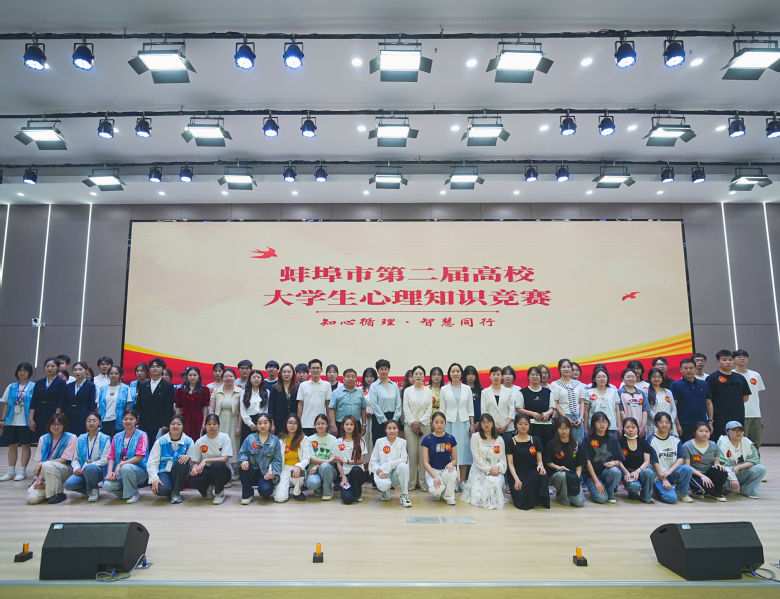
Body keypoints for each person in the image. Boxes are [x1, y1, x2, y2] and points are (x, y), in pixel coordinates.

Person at [27, 413, 77, 504]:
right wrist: (40, 480)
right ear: (49, 425)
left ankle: (57, 494)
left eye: (59, 424)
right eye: (53, 424)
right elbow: (41, 461)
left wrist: (42, 464)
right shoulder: (43, 438)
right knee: (32, 499)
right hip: (46, 471)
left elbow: (64, 459)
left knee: (48, 465)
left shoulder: (71, 437)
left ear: (64, 425)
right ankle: (51, 493)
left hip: (64, 470)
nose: (56, 427)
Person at [459, 414, 506, 510]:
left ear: (493, 424)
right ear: (480, 424)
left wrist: (496, 468)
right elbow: (476, 458)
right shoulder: (475, 437)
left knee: (494, 482)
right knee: (479, 497)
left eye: (488, 422)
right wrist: (489, 470)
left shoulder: (499, 439)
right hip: (479, 469)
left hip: (495, 470)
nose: (486, 424)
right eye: (483, 422)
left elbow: (502, 460)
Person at [102, 410, 149, 503]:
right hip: (120, 470)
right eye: (125, 419)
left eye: (131, 419)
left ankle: (133, 494)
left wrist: (121, 464)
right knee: (107, 485)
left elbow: (139, 456)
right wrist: (109, 471)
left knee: (126, 467)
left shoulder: (142, 435)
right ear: (122, 420)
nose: (128, 421)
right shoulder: (117, 436)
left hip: (139, 469)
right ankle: (127, 493)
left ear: (136, 421)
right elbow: (111, 456)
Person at [63, 412, 112, 501]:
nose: (91, 423)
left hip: (99, 470)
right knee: (68, 485)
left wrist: (88, 466)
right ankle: (88, 490)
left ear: (99, 422)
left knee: (90, 468)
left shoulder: (105, 438)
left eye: (94, 421)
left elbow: (105, 459)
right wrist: (76, 468)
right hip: (82, 470)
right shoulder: (81, 438)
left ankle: (93, 491)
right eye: (88, 421)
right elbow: (75, 458)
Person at [647, 412, 693, 504]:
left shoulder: (676, 439)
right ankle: (657, 488)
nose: (664, 424)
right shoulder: (651, 439)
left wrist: (669, 471)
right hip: (658, 475)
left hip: (671, 473)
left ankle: (682, 493)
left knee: (687, 468)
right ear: (655, 423)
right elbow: (654, 461)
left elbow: (681, 459)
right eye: (661, 422)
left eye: (667, 422)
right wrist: (663, 479)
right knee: (671, 499)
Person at [0, 362, 35, 482]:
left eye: (25, 370)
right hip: (11, 420)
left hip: (25, 421)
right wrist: (3, 419)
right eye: (20, 370)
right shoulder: (11, 386)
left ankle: (22, 471)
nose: (22, 372)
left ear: (29, 372)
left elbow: (35, 405)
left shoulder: (33, 386)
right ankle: (11, 471)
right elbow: (6, 403)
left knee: (25, 445)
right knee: (12, 446)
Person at [236, 413, 282, 504]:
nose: (262, 426)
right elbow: (242, 453)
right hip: (252, 471)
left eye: (265, 423)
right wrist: (244, 460)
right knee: (243, 466)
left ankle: (262, 490)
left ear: (270, 424)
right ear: (256, 425)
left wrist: (272, 472)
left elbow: (277, 460)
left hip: (266, 473)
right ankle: (248, 495)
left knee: (265, 492)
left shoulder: (275, 440)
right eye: (259, 423)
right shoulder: (250, 438)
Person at [147, 414, 193, 504]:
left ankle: (176, 493)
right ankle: (169, 490)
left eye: (179, 424)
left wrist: (189, 457)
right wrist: (154, 479)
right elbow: (152, 462)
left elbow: (194, 462)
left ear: (183, 426)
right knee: (161, 489)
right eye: (173, 424)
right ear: (169, 425)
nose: (175, 426)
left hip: (180, 472)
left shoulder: (188, 441)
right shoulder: (160, 441)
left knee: (182, 461)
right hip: (164, 471)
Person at [507, 414, 549, 510]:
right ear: (516, 425)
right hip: (517, 474)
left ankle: (540, 499)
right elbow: (510, 464)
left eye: (526, 424)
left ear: (529, 425)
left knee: (542, 473)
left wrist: (541, 466)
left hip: (531, 472)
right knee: (521, 503)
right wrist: (517, 480)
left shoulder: (536, 440)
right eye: (520, 424)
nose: (523, 426)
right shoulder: (510, 441)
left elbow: (539, 460)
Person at [189, 414, 234, 505]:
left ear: (219, 425)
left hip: (222, 471)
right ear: (205, 425)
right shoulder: (200, 441)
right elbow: (196, 462)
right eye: (209, 424)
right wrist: (194, 469)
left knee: (215, 465)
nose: (212, 426)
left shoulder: (224, 437)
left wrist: (206, 460)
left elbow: (224, 459)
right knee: (193, 480)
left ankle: (219, 493)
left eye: (214, 424)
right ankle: (207, 490)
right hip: (207, 470)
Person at [441, 363, 474, 484]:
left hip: (464, 424)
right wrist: (441, 426)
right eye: (453, 371)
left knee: (464, 453)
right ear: (449, 374)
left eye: (458, 371)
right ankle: (453, 482)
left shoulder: (467, 388)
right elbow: (442, 409)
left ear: (461, 374)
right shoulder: (444, 389)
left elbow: (470, 408)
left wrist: (472, 424)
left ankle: (462, 482)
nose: (455, 374)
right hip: (449, 423)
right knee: (450, 452)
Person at [706, 350, 750, 437]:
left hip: (738, 416)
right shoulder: (712, 378)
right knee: (720, 440)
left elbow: (746, 396)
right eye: (724, 360)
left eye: (730, 359)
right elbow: (708, 400)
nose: (728, 362)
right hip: (719, 418)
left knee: (737, 439)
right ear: (718, 362)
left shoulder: (740, 377)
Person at [582, 412, 624, 504]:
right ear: (593, 424)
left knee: (615, 471)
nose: (602, 424)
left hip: (606, 472)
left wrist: (613, 463)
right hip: (591, 475)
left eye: (604, 421)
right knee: (601, 499)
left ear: (608, 423)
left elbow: (619, 460)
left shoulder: (613, 439)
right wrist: (596, 481)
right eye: (598, 422)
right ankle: (598, 488)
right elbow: (587, 461)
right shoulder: (587, 438)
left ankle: (610, 493)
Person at [403, 365, 433, 492]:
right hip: (410, 426)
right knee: (412, 453)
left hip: (424, 426)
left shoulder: (428, 391)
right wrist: (413, 423)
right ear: (412, 376)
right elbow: (406, 407)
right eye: (416, 374)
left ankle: (422, 482)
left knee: (423, 454)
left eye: (421, 374)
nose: (418, 376)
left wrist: (420, 422)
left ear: (424, 376)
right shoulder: (407, 391)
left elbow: (429, 409)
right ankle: (412, 482)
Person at [718, 421, 765, 499]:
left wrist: (739, 467)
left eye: (740, 430)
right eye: (734, 430)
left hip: (739, 471)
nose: (738, 432)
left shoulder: (747, 442)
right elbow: (724, 464)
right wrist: (733, 479)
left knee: (760, 469)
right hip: (726, 473)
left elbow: (754, 460)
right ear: (727, 432)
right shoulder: (722, 442)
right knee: (727, 490)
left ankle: (747, 490)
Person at [369, 419, 411, 507]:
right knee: (383, 485)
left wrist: (387, 465)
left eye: (394, 428)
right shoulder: (379, 442)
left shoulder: (402, 442)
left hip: (395, 475)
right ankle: (385, 492)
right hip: (383, 473)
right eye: (389, 428)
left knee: (404, 466)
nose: (392, 431)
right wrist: (379, 471)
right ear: (385, 430)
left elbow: (403, 459)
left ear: (398, 430)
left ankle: (404, 496)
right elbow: (373, 460)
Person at [544, 418, 585, 507]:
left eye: (566, 428)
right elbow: (548, 462)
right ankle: (562, 498)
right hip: (557, 475)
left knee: (579, 502)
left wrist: (577, 480)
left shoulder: (577, 445)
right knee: (562, 475)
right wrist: (558, 467)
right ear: (557, 429)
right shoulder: (551, 444)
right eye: (561, 428)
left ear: (570, 429)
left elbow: (579, 465)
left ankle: (569, 494)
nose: (564, 431)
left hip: (572, 477)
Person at [671, 359, 714, 442]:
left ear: (695, 369)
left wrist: (710, 422)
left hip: (702, 422)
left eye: (691, 368)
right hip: (684, 423)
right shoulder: (675, 385)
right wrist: (677, 424)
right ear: (681, 370)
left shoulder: (704, 384)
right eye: (685, 368)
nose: (688, 370)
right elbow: (674, 406)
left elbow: (709, 404)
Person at [684, 422, 729, 501]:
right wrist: (702, 476)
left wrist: (717, 464)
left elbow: (716, 459)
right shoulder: (687, 446)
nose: (704, 433)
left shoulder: (713, 444)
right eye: (701, 431)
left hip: (708, 471)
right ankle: (695, 490)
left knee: (722, 470)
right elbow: (687, 465)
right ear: (694, 432)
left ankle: (716, 493)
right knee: (707, 490)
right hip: (695, 474)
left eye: (707, 431)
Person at [421, 411, 458, 505]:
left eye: (442, 422)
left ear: (445, 423)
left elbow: (455, 459)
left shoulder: (451, 438)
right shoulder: (427, 439)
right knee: (436, 490)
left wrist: (451, 464)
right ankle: (439, 492)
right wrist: (435, 476)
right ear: (432, 423)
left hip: (446, 469)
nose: (439, 425)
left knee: (451, 473)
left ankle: (449, 496)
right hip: (433, 470)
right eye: (436, 422)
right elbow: (425, 462)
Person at [210, 368, 241, 476]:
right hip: (219, 421)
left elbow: (242, 411)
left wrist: (239, 426)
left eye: (231, 376)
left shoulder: (240, 391)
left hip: (234, 421)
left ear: (235, 378)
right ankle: (220, 470)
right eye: (226, 376)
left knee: (233, 444)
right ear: (222, 378)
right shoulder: (216, 391)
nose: (228, 378)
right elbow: (212, 409)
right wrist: (212, 423)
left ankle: (232, 471)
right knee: (219, 443)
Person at [135, 357, 175, 441]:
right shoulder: (143, 385)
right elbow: (138, 405)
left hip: (159, 424)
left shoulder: (168, 386)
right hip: (144, 423)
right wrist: (138, 422)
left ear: (163, 369)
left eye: (158, 366)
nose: (155, 368)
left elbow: (168, 407)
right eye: (152, 367)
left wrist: (165, 424)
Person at [733, 349, 765, 450]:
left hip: (755, 413)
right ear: (733, 360)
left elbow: (757, 393)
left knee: (756, 442)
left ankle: (755, 460)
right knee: (741, 442)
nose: (742, 359)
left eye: (744, 357)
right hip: (740, 414)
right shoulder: (731, 375)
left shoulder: (755, 375)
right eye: (739, 357)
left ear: (748, 359)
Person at [618, 417, 656, 503]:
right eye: (627, 427)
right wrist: (627, 473)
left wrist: (637, 472)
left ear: (638, 428)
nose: (630, 430)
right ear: (623, 428)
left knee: (649, 472)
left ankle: (646, 496)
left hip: (640, 470)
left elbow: (647, 461)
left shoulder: (644, 442)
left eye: (633, 427)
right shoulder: (619, 442)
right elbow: (618, 461)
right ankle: (632, 493)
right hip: (626, 471)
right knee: (634, 487)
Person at [29, 357, 67, 442]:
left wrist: (56, 417)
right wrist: (31, 418)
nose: (49, 368)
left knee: (52, 438)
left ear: (58, 367)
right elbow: (34, 401)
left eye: (52, 366)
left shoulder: (61, 382)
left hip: (52, 412)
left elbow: (61, 401)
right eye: (47, 366)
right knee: (39, 439)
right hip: (39, 413)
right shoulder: (39, 382)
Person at [334, 415, 369, 504]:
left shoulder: (361, 440)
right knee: (347, 499)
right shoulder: (338, 442)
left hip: (358, 473)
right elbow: (338, 463)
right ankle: (351, 490)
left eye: (351, 424)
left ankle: (358, 493)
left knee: (355, 469)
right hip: (346, 474)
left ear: (355, 426)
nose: (349, 427)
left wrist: (347, 461)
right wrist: (343, 477)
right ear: (343, 426)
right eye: (347, 424)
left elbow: (361, 460)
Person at [276, 414, 311, 502]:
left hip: (297, 469)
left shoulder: (304, 439)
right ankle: (286, 487)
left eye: (295, 423)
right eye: (290, 423)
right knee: (280, 499)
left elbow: (306, 458)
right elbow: (276, 458)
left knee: (301, 471)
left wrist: (299, 466)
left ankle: (297, 492)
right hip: (284, 469)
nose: (292, 425)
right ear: (286, 424)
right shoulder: (280, 440)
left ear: (299, 425)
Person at [518, 366, 555, 448]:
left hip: (546, 426)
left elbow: (552, 408)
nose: (535, 377)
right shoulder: (523, 392)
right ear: (528, 377)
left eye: (537, 374)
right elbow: (519, 408)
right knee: (532, 449)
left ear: (540, 377)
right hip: (531, 426)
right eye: (532, 374)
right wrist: (532, 413)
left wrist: (547, 413)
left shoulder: (548, 392)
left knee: (547, 449)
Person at [368, 359, 401, 448]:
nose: (383, 371)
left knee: (393, 445)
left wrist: (394, 420)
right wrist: (385, 421)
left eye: (385, 369)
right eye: (381, 369)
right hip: (379, 419)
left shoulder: (394, 385)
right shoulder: (374, 386)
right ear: (378, 371)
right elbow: (374, 404)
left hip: (393, 418)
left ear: (388, 370)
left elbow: (398, 404)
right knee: (380, 446)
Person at [552, 359, 586, 443]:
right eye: (563, 367)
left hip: (577, 418)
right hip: (563, 417)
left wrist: (581, 417)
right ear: (559, 369)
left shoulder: (578, 384)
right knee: (564, 442)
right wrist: (566, 418)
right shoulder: (555, 384)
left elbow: (581, 402)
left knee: (579, 443)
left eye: (568, 367)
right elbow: (555, 403)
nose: (566, 369)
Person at [481, 366, 515, 451]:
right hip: (490, 428)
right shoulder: (484, 392)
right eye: (493, 374)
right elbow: (484, 411)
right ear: (490, 376)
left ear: (502, 376)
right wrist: (493, 425)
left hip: (506, 428)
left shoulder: (508, 392)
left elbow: (511, 410)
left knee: (507, 453)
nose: (496, 376)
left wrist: (506, 425)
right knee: (492, 452)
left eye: (498, 374)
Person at [305, 413, 338, 500]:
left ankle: (328, 492)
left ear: (327, 425)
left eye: (323, 423)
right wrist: (326, 461)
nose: (320, 426)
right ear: (315, 425)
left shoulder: (333, 439)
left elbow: (333, 458)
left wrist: (319, 465)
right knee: (312, 483)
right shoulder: (309, 439)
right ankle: (318, 489)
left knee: (325, 466)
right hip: (313, 470)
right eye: (318, 424)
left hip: (329, 470)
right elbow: (311, 458)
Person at [328, 368, 367, 437]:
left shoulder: (359, 392)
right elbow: (331, 409)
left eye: (353, 377)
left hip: (356, 423)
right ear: (343, 378)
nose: (351, 379)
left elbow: (363, 408)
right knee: (340, 443)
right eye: (348, 377)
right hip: (340, 424)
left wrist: (364, 424)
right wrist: (333, 425)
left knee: (356, 443)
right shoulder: (336, 392)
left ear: (356, 378)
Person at [175, 366, 211, 441]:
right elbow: (178, 407)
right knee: (184, 439)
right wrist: (177, 422)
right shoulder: (180, 390)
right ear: (187, 376)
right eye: (190, 375)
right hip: (184, 418)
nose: (192, 377)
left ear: (198, 376)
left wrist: (204, 422)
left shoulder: (204, 390)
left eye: (195, 375)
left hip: (198, 418)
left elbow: (205, 407)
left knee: (198, 440)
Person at [297, 359, 332, 437]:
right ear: (309, 370)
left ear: (321, 370)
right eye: (313, 368)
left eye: (317, 368)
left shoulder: (327, 385)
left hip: (321, 423)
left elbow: (328, 404)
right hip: (305, 423)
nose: (315, 370)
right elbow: (300, 405)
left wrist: (328, 421)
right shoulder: (303, 385)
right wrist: (298, 421)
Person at [61, 361, 96, 436]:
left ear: (86, 370)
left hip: (83, 415)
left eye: (80, 369)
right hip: (69, 415)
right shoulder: (69, 386)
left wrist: (91, 420)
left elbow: (92, 404)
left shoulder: (90, 385)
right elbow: (65, 402)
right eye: (75, 370)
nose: (78, 372)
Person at [583, 367, 621, 436]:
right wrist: (585, 427)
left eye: (604, 376)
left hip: (611, 427)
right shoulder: (589, 392)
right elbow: (586, 411)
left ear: (607, 378)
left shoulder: (613, 392)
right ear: (594, 379)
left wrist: (619, 426)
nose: (602, 379)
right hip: (594, 427)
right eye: (599, 377)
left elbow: (617, 410)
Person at [98, 365, 132, 437]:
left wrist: (126, 422)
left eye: (116, 373)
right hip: (103, 421)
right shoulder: (103, 389)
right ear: (108, 375)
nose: (113, 375)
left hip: (118, 421)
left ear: (120, 375)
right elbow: (99, 407)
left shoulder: (125, 388)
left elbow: (127, 407)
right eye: (111, 373)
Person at [239, 369, 269, 445]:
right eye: (254, 377)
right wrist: (250, 424)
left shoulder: (266, 392)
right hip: (248, 422)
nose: (256, 379)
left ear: (262, 379)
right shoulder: (244, 392)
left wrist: (262, 422)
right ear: (250, 379)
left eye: (258, 377)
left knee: (260, 444)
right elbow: (242, 410)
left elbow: (266, 409)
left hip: (262, 422)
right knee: (248, 445)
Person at [617, 368, 649, 437]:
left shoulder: (641, 393)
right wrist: (629, 426)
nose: (631, 379)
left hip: (640, 429)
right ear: (623, 379)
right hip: (625, 428)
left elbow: (645, 410)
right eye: (628, 377)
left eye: (633, 377)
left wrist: (643, 427)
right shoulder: (619, 392)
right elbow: (620, 410)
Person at [646, 368, 676, 437]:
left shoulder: (668, 392)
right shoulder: (646, 392)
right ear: (650, 378)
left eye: (659, 377)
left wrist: (669, 421)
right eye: (654, 376)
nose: (657, 379)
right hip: (654, 425)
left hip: (669, 425)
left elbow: (673, 409)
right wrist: (659, 422)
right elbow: (648, 410)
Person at [270, 363, 299, 435]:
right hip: (278, 422)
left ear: (293, 374)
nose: (286, 374)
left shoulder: (298, 388)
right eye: (284, 372)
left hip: (293, 422)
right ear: (280, 373)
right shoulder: (275, 388)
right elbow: (271, 408)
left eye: (289, 372)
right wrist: (272, 424)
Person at [361, 367, 378, 466]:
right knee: (365, 442)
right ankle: (365, 467)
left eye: (371, 377)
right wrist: (365, 412)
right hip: (364, 419)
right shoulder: (360, 390)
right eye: (367, 377)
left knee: (374, 442)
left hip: (377, 418)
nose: (369, 379)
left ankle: (375, 467)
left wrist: (374, 412)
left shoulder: (379, 389)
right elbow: (358, 404)